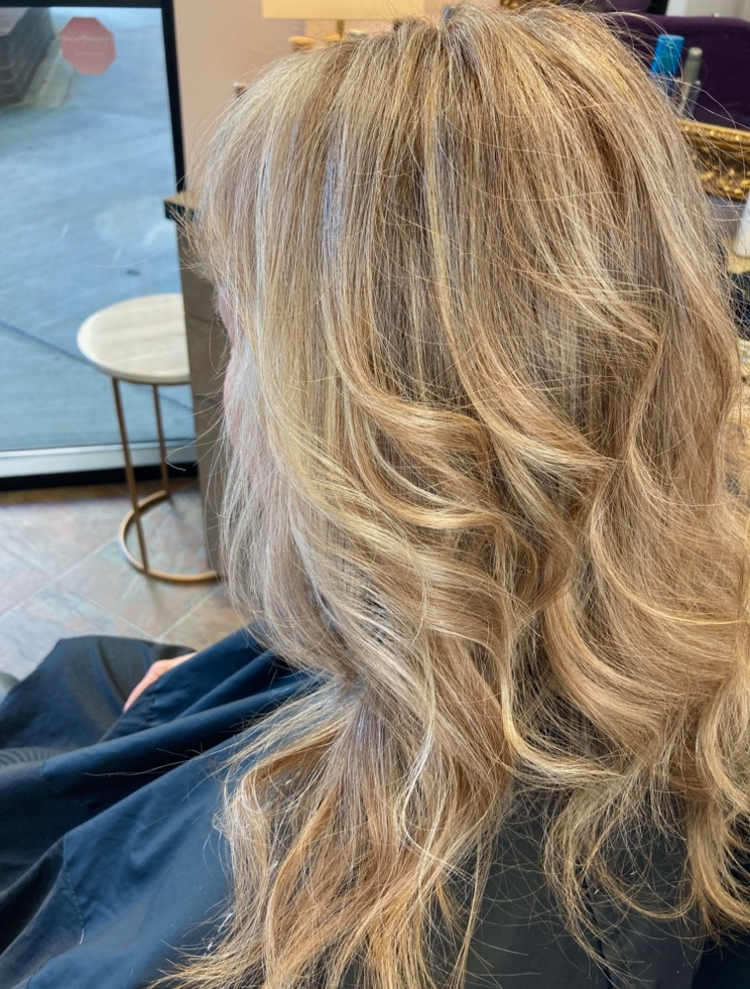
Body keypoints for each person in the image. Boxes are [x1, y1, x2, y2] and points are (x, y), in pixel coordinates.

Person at [2, 3, 750, 987]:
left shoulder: (326, 944)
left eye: (242, 328)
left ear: (362, 435)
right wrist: (203, 694)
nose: (230, 385)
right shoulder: (681, 618)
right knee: (105, 674)